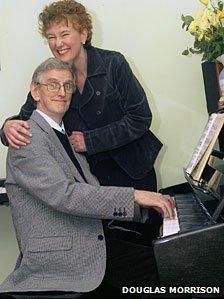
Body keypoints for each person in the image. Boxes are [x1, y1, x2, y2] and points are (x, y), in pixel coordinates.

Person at [0, 57, 175, 299]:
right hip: (64, 257)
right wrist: (135, 195)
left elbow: (90, 189)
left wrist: (147, 212)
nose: (62, 92)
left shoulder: (62, 135)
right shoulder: (27, 138)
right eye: (52, 85)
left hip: (87, 240)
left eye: (67, 86)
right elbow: (65, 195)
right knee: (168, 271)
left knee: (166, 259)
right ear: (35, 91)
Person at [2, 0, 162, 245]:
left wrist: (90, 140)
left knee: (145, 248)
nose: (58, 43)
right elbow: (26, 119)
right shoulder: (53, 77)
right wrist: (6, 127)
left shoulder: (114, 63)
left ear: (84, 34)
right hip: (92, 182)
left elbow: (140, 118)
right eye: (51, 37)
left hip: (132, 171)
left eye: (65, 34)